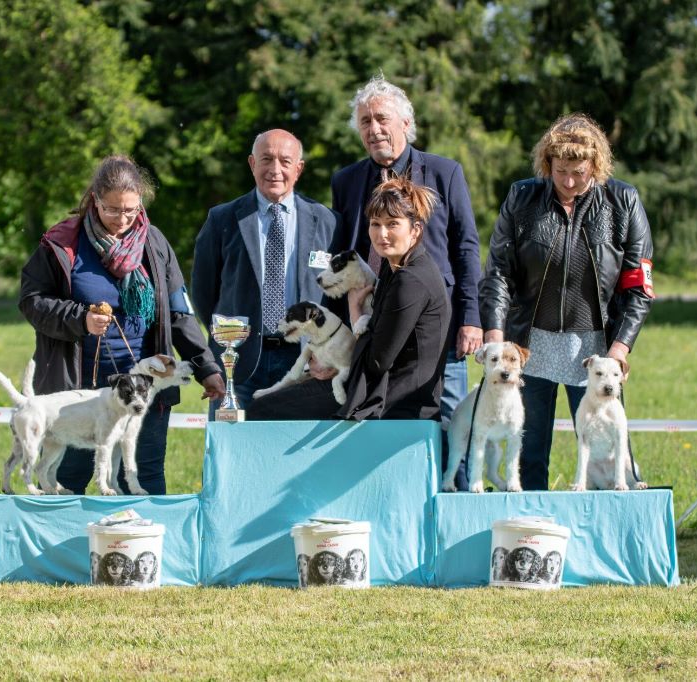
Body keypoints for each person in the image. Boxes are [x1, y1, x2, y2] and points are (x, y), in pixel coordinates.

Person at [19, 155, 224, 495]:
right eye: (112, 210)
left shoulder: (154, 243)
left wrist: (207, 367)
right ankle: (67, 547)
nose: (123, 219)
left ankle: (139, 547)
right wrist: (80, 318)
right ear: (95, 201)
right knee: (67, 477)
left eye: (131, 210)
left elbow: (178, 314)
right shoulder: (62, 242)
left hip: (146, 386)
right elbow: (32, 301)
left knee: (142, 475)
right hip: (79, 389)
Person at [480, 113, 654, 490]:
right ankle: (527, 535)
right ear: (547, 164)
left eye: (580, 172)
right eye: (561, 171)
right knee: (527, 450)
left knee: (608, 450)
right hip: (531, 345)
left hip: (594, 347)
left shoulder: (623, 201)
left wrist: (620, 350)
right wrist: (496, 338)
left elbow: (639, 287)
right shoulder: (522, 198)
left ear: (597, 165)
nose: (570, 181)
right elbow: (497, 273)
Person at [331, 75, 481, 486]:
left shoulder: (444, 172)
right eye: (364, 121)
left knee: (452, 428)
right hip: (377, 329)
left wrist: (472, 317)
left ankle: (456, 505)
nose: (373, 129)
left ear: (405, 122)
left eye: (381, 118)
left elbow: (466, 247)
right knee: (383, 428)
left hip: (439, 328)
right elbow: (340, 256)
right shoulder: (345, 182)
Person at [249, 178, 451, 421]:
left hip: (392, 400)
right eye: (375, 224)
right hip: (383, 389)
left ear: (415, 229)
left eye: (393, 224)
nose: (382, 234)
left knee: (261, 410)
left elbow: (377, 361)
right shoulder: (395, 267)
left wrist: (355, 311)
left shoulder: (411, 280)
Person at [192, 129, 345, 412]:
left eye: (285, 161)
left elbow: (338, 295)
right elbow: (203, 292)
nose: (275, 170)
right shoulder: (222, 219)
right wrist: (229, 335)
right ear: (252, 164)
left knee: (296, 452)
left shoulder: (329, 222)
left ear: (298, 169)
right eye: (266, 159)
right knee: (235, 451)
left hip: (305, 360)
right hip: (239, 363)